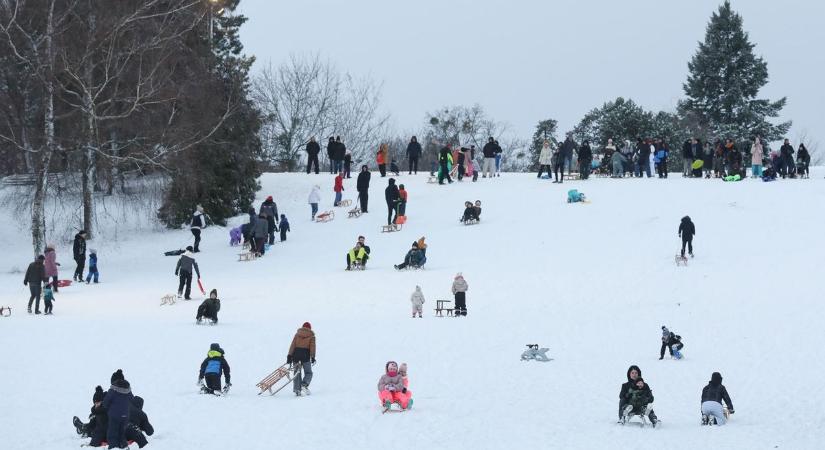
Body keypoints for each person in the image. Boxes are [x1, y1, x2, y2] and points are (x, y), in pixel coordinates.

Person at [101, 377, 134, 448]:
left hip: (114, 416)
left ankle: (113, 447)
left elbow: (105, 403)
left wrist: (108, 408)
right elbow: (132, 400)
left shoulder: (113, 390)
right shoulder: (128, 390)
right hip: (125, 415)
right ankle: (123, 446)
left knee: (112, 432)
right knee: (122, 432)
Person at [286, 322, 316, 396]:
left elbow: (292, 345)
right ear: (310, 328)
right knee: (308, 372)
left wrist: (289, 355)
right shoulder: (312, 336)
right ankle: (304, 384)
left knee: (297, 373)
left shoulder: (297, 334)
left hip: (296, 355)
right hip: (305, 356)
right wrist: (312, 357)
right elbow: (312, 347)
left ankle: (297, 390)